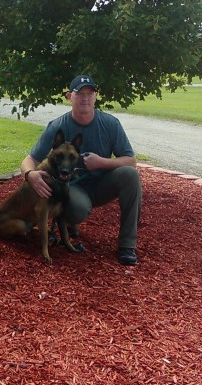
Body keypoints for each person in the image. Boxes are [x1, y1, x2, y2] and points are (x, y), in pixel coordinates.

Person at [21, 75, 142, 265]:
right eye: (80, 94)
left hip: (103, 184)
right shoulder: (58, 126)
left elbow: (131, 161)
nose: (85, 98)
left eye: (90, 93)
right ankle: (68, 222)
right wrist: (30, 174)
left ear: (96, 96)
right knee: (78, 209)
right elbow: (30, 159)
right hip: (74, 188)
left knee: (130, 175)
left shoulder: (110, 124)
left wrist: (101, 162)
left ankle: (127, 245)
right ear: (70, 96)